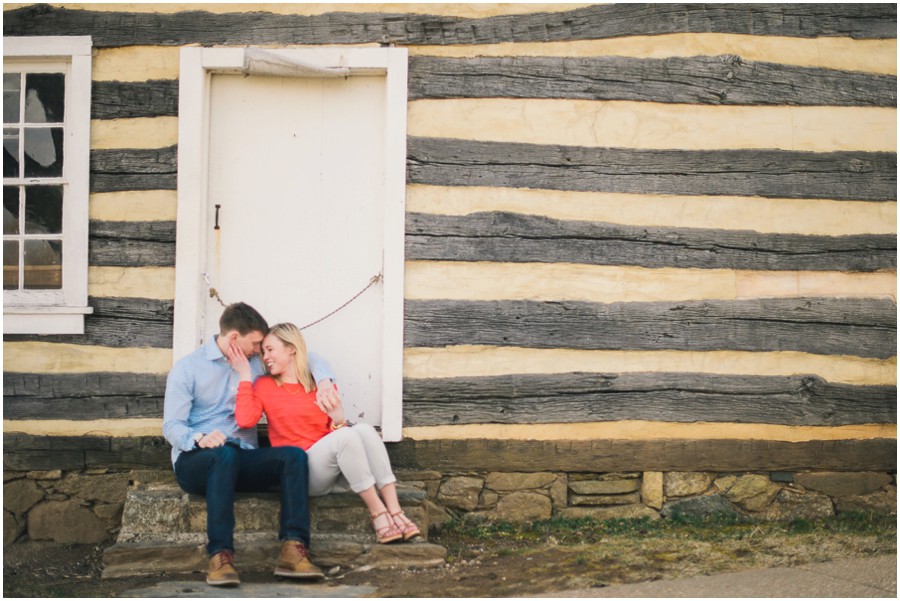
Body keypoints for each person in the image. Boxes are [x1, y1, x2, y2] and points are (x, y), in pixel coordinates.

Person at [162, 302, 341, 586]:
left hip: (242, 457)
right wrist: (199, 438)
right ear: (235, 338)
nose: (261, 350)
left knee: (293, 457)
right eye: (256, 343)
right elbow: (171, 426)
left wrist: (324, 379)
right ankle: (220, 556)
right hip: (196, 461)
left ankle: (293, 550)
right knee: (224, 456)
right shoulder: (188, 369)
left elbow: (308, 356)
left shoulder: (255, 364)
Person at [231, 322, 421, 545]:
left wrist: (338, 417)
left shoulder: (320, 385)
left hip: (336, 473)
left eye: (270, 350)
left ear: (292, 348)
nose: (265, 357)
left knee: (365, 430)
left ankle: (396, 510)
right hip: (303, 473)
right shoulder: (264, 385)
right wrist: (245, 376)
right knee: (348, 436)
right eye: (263, 352)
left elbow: (337, 433)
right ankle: (378, 512)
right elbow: (244, 420)